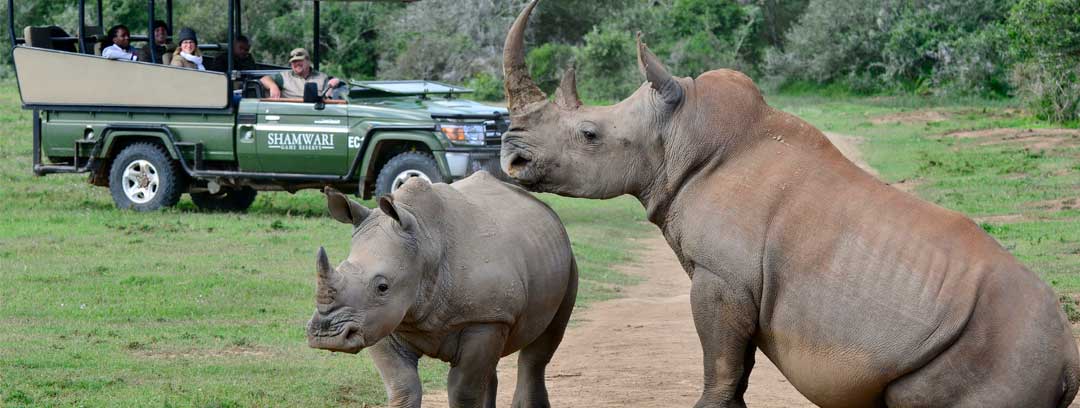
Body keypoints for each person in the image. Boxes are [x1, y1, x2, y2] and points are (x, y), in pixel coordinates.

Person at [259, 48, 341, 99]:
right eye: (293, 61)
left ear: (308, 61)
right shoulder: (284, 77)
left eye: (300, 60)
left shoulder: (322, 77)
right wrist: (273, 86)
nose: (296, 64)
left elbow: (329, 98)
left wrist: (334, 83)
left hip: (315, 113)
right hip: (291, 114)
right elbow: (264, 79)